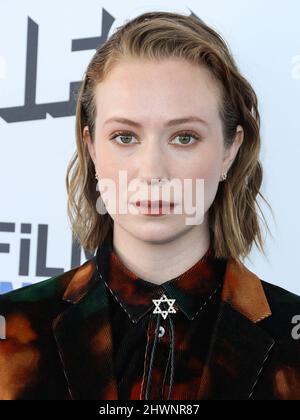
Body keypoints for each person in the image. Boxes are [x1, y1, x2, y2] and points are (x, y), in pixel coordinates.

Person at [0, 11, 299, 400]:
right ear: (91, 148)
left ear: (230, 149)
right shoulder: (12, 329)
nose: (152, 171)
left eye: (184, 137)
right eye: (125, 136)